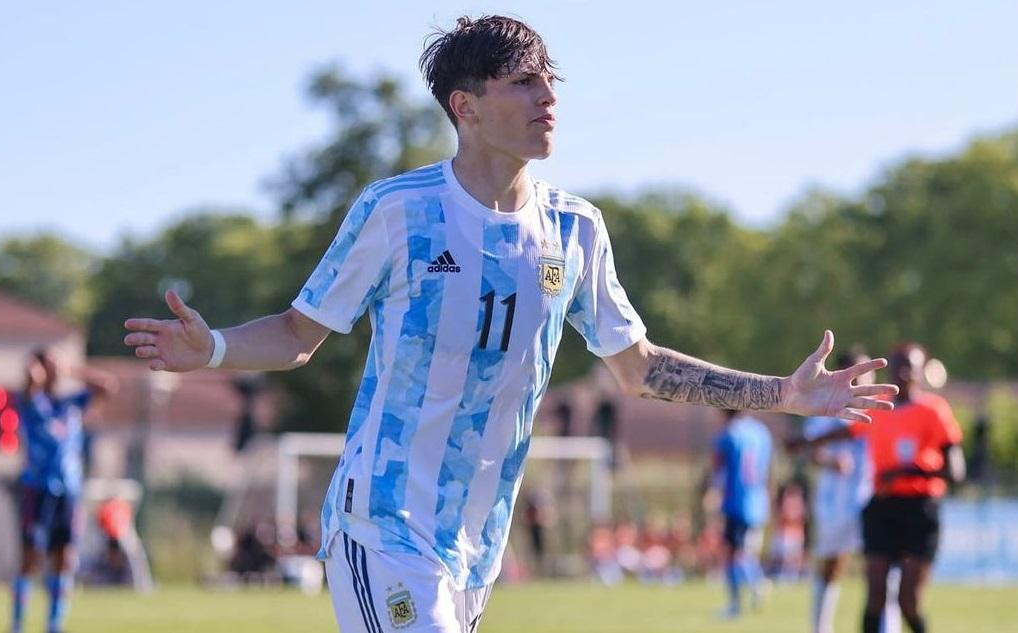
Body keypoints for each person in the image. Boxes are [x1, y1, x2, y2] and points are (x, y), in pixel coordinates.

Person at [122, 15, 896, 632]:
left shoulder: (577, 230)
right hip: (383, 523)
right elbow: (299, 334)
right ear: (466, 107)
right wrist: (217, 346)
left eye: (550, 80)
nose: (548, 97)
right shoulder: (398, 212)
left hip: (476, 547)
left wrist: (781, 395)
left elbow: (638, 366)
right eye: (524, 83)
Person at [794, 343, 964, 633]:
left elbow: (955, 472)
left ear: (922, 371)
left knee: (908, 601)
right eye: (898, 364)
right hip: (883, 506)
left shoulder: (934, 410)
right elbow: (849, 430)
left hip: (920, 509)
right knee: (875, 596)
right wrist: (805, 444)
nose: (903, 371)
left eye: (910, 365)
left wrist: (904, 471)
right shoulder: (881, 406)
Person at [11, 349, 116, 633]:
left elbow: (108, 387)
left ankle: (54, 624)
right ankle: (18, 623)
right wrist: (34, 374)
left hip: (68, 491)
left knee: (65, 557)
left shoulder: (71, 403)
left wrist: (73, 370)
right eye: (50, 365)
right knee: (31, 557)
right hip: (38, 489)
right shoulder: (32, 401)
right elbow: (28, 389)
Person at [803, 347, 877, 633]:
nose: (863, 379)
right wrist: (831, 461)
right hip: (834, 504)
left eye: (867, 372)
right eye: (857, 373)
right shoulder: (826, 408)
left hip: (872, 499)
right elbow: (808, 449)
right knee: (833, 566)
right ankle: (821, 627)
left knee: (881, 567)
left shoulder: (880, 410)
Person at [709, 410, 772, 618]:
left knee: (733, 553)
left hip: (736, 501)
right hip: (757, 500)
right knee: (743, 551)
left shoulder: (729, 433)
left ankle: (740, 599)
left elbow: (719, 468)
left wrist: (712, 493)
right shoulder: (761, 431)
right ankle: (756, 584)